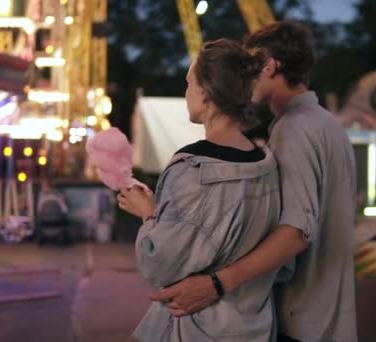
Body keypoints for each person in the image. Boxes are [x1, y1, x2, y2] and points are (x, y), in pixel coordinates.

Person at [150, 21, 358, 342]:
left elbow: (295, 233)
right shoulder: (329, 125)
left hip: (302, 319)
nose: (245, 76)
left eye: (251, 66)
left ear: (270, 66)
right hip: (331, 316)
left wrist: (216, 284)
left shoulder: (293, 129)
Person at [118, 39, 282, 341]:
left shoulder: (193, 171)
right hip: (255, 327)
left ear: (205, 92)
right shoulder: (268, 166)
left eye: (189, 83)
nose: (186, 92)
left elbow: (160, 265)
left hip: (199, 329)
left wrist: (149, 214)